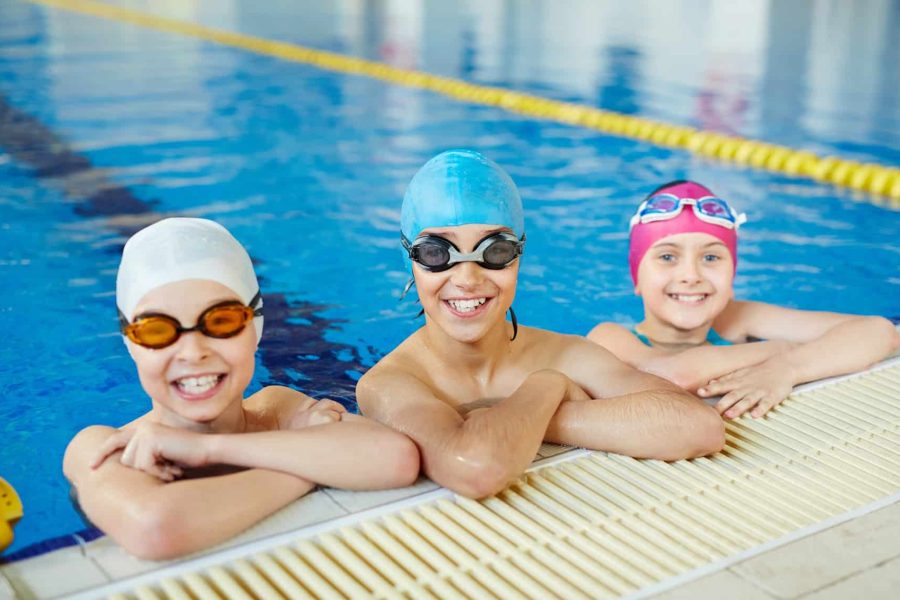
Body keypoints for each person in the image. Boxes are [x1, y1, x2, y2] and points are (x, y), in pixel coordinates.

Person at [356, 150, 724, 500]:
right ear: (410, 262)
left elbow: (700, 427)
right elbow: (475, 469)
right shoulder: (389, 384)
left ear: (518, 257)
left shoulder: (563, 354)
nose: (466, 278)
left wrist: (539, 403)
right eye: (436, 253)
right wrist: (548, 386)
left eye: (494, 250)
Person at [63, 218, 419, 560]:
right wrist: (318, 466)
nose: (193, 352)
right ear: (132, 343)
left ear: (255, 327)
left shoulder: (275, 407)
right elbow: (157, 529)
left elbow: (396, 458)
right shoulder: (101, 446)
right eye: (157, 330)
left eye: (222, 321)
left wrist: (206, 448)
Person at [588, 180, 899, 420]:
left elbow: (880, 331)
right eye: (667, 257)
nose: (690, 275)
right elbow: (673, 376)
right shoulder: (610, 337)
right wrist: (781, 348)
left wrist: (785, 369)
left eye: (711, 257)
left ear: (732, 276)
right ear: (636, 278)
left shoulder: (739, 318)